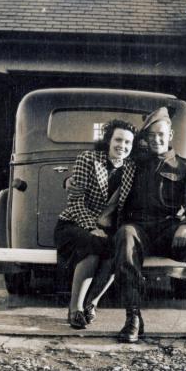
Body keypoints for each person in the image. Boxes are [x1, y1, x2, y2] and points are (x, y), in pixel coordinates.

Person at [114, 107, 186, 344]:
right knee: (125, 234)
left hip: (169, 231)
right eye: (151, 136)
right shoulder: (134, 164)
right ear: (145, 139)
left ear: (170, 135)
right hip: (139, 229)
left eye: (161, 135)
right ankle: (133, 318)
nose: (156, 140)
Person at [54, 119, 137, 329]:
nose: (122, 146)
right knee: (92, 247)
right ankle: (75, 309)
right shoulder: (88, 159)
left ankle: (92, 304)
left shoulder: (131, 168)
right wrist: (92, 227)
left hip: (106, 228)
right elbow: (75, 201)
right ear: (109, 139)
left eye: (128, 142)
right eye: (118, 139)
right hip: (73, 223)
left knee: (114, 250)